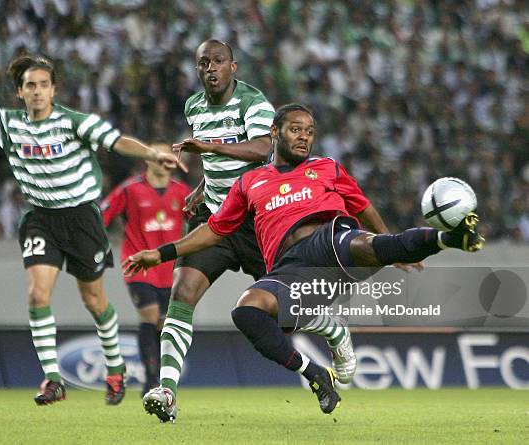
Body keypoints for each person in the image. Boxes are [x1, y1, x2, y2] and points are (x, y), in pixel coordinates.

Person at [124, 104, 485, 417]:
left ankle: (450, 237)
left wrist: (392, 248)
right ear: (275, 132)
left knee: (364, 244)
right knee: (247, 311)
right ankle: (314, 372)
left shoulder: (327, 167)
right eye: (295, 130)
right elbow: (215, 230)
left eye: (309, 132)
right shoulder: (251, 182)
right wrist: (162, 252)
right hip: (291, 269)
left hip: (331, 240)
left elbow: (362, 207)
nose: (303, 137)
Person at [0, 32, 178, 406]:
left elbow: (116, 141)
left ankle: (115, 368)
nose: (36, 91)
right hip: (40, 218)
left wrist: (150, 154)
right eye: (30, 85)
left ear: (53, 90)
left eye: (43, 85)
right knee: (37, 292)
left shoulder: (75, 122)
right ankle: (52, 379)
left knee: (94, 301)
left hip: (82, 218)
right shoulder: (9, 123)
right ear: (20, 92)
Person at [140, 39, 276, 421]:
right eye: (203, 63)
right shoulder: (194, 106)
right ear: (197, 69)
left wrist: (208, 146)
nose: (210, 68)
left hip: (255, 220)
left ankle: (333, 333)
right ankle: (167, 390)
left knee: (290, 307)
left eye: (218, 61)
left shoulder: (254, 102)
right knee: (181, 295)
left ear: (233, 67)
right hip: (215, 219)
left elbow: (263, 149)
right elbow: (218, 163)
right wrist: (202, 190)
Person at [100, 143, 190, 395]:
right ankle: (151, 380)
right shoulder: (130, 190)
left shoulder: (182, 192)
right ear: (147, 159)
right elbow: (102, 216)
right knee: (150, 316)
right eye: (157, 156)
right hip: (138, 265)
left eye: (167, 157)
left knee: (165, 325)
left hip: (170, 270)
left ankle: (162, 381)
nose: (163, 162)